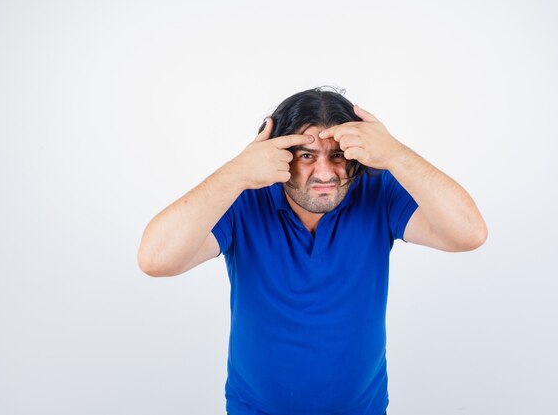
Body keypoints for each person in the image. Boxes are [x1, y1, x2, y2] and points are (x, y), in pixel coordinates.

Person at [137, 86, 488, 415]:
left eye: (337, 156)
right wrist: (236, 173)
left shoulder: (377, 192)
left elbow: (468, 233)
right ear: (278, 156)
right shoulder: (243, 199)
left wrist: (396, 154)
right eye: (306, 155)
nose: (325, 173)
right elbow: (156, 260)